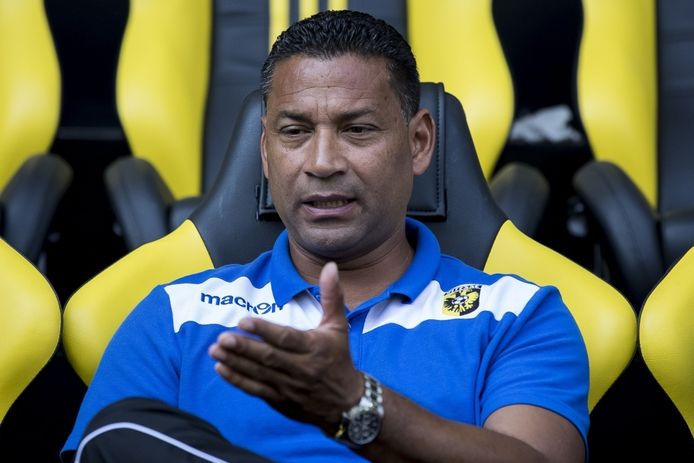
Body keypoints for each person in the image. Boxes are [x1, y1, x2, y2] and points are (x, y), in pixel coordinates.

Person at [62, 10, 589, 463]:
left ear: (419, 142)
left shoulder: (517, 314)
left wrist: (355, 405)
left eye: (357, 129)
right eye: (294, 132)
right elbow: (107, 446)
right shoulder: (179, 313)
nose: (322, 162)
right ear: (265, 152)